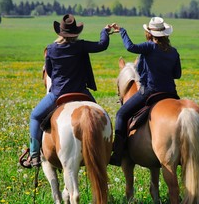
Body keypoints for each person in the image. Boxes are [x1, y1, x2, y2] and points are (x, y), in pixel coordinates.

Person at [20, 14, 112, 168]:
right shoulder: (81, 46)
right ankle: (108, 148)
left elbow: (49, 71)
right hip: (81, 93)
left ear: (60, 32)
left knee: (35, 116)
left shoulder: (51, 49)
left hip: (58, 94)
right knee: (102, 117)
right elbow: (102, 45)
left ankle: (34, 155)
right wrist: (105, 31)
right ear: (76, 32)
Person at [109, 17, 182, 166]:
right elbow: (177, 74)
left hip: (150, 91)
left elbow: (130, 47)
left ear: (150, 33)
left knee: (121, 114)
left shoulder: (149, 47)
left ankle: (117, 154)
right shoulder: (174, 52)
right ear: (166, 34)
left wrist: (121, 31)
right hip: (171, 93)